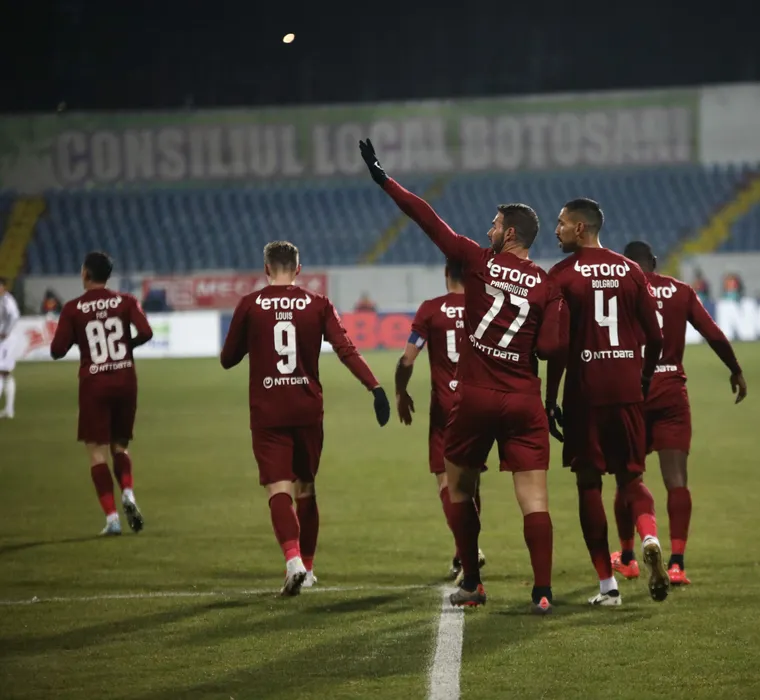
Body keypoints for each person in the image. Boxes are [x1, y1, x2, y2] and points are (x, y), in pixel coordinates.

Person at [361, 138, 566, 613]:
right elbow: (553, 348)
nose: (487, 229)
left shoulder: (476, 261)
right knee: (534, 498)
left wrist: (384, 179)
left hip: (473, 396)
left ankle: (472, 581)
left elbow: (427, 218)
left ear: (509, 232)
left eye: (494, 224)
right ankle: (542, 592)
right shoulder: (547, 284)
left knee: (459, 488)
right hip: (523, 398)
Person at [220, 240, 390, 596]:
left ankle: (293, 560)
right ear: (298, 269)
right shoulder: (318, 303)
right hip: (307, 409)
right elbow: (346, 349)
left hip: (268, 411)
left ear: (266, 268)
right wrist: (374, 386)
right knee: (307, 487)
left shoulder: (250, 304)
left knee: (278, 487)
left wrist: (255, 335)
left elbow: (228, 359)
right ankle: (309, 569)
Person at [545, 199, 668, 606]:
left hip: (585, 393)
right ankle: (649, 537)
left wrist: (550, 397)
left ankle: (607, 586)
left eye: (562, 223)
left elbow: (557, 346)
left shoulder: (562, 275)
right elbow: (656, 337)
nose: (557, 230)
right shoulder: (631, 271)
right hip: (627, 389)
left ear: (580, 228)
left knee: (588, 484)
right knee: (632, 479)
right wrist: (643, 378)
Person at [614, 241, 747, 585]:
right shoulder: (680, 291)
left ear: (624, 265)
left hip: (633, 392)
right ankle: (677, 564)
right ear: (655, 262)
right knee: (676, 480)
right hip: (672, 391)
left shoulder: (618, 292)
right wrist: (735, 369)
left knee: (628, 479)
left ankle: (628, 557)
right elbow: (713, 333)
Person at [396, 258, 486, 583]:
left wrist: (401, 392)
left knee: (448, 483)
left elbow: (408, 359)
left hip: (446, 407)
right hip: (481, 403)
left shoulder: (431, 309)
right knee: (470, 482)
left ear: (447, 274)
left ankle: (468, 550)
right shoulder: (484, 307)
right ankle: (463, 553)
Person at [50, 252, 153, 535]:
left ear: (85, 274)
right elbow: (146, 332)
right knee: (120, 445)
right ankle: (128, 492)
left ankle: (112, 519)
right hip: (125, 380)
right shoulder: (126, 301)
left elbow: (56, 350)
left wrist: (79, 339)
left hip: (94, 384)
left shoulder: (73, 308)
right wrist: (125, 347)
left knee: (97, 452)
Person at [0, 277, 20, 419]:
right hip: (2, 341)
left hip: (6, 341)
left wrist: (6, 332)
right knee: (6, 375)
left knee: (2, 372)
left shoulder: (8, 301)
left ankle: (9, 410)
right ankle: (9, 410)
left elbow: (14, 316)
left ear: (4, 287)